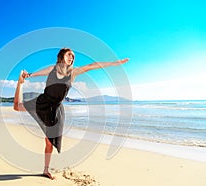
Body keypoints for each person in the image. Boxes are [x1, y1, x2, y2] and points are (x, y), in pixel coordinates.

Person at [13, 48, 129, 179]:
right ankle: (19, 84)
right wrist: (27, 76)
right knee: (17, 107)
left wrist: (114, 63)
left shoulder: (73, 73)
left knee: (49, 141)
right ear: (62, 56)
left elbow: (91, 66)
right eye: (69, 55)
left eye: (73, 57)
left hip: (56, 109)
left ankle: (46, 170)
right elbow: (36, 74)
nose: (71, 58)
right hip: (44, 101)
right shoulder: (53, 68)